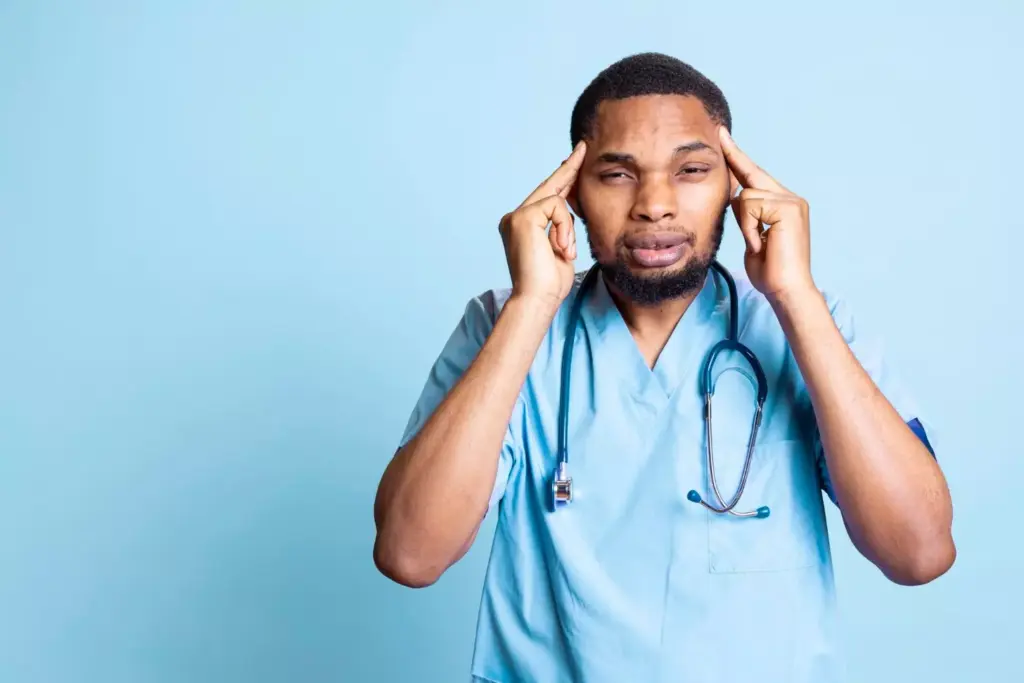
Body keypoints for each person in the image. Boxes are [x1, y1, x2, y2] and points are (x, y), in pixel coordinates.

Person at [371, 52, 955, 683]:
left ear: (736, 188)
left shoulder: (806, 323)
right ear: (569, 194)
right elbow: (410, 553)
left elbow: (918, 552)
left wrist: (795, 298)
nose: (655, 204)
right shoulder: (502, 325)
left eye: (693, 170)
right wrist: (533, 302)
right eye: (618, 175)